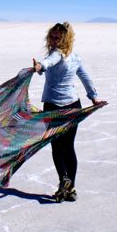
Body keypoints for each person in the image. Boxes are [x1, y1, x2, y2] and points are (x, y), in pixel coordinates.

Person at [32, 21, 106, 202]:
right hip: (73, 105)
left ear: (66, 38)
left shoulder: (56, 54)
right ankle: (70, 187)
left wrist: (40, 67)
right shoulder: (74, 56)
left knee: (58, 147)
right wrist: (93, 96)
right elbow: (85, 76)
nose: (55, 38)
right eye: (53, 35)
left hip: (54, 108)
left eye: (59, 36)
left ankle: (64, 182)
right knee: (67, 147)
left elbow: (50, 62)